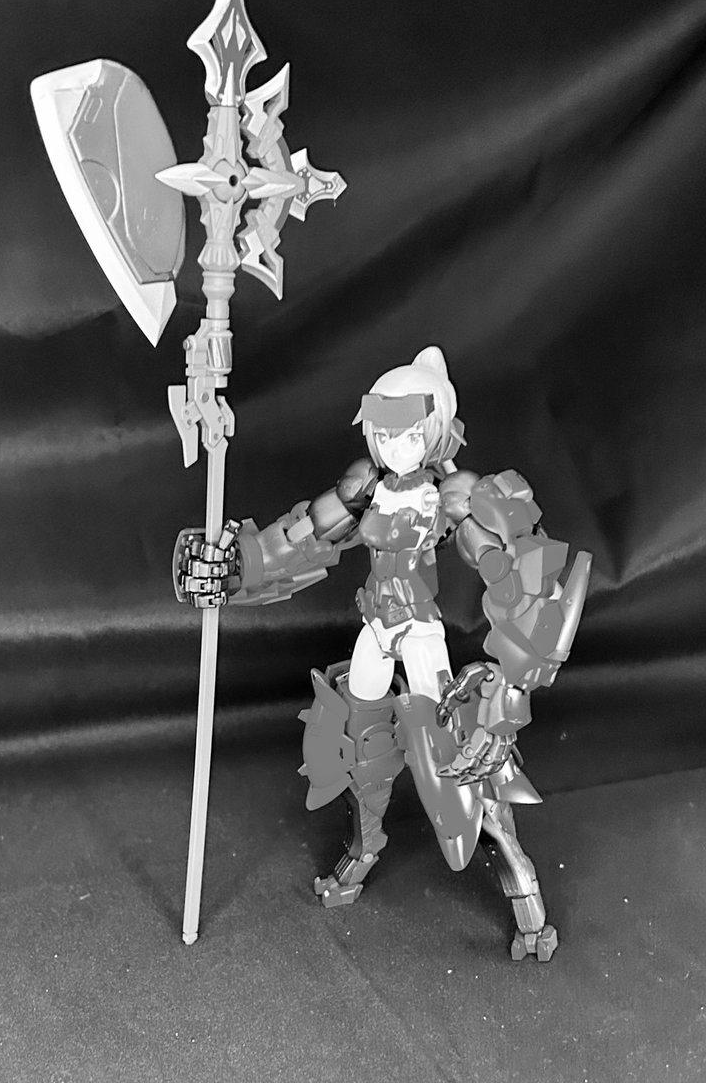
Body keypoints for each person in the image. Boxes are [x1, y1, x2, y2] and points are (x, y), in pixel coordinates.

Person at [175, 346, 591, 960]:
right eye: (386, 433)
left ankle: (521, 884)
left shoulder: (454, 497)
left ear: (436, 431)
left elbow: (523, 574)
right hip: (376, 624)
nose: (396, 446)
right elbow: (305, 536)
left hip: (420, 631)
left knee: (453, 750)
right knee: (355, 732)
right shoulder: (365, 487)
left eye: (410, 433)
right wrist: (237, 566)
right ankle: (365, 846)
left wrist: (510, 686)